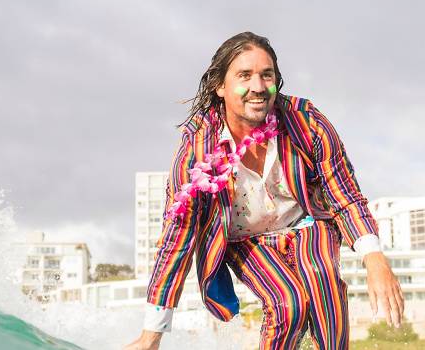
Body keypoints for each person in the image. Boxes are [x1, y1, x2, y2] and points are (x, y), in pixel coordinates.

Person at [125, 32, 403, 350]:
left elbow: (344, 192)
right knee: (290, 302)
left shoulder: (306, 123)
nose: (258, 87)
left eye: (266, 75)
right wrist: (152, 333)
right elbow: (178, 236)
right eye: (245, 75)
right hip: (244, 239)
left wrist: (374, 258)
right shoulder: (198, 151)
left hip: (307, 225)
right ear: (220, 87)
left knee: (326, 293)